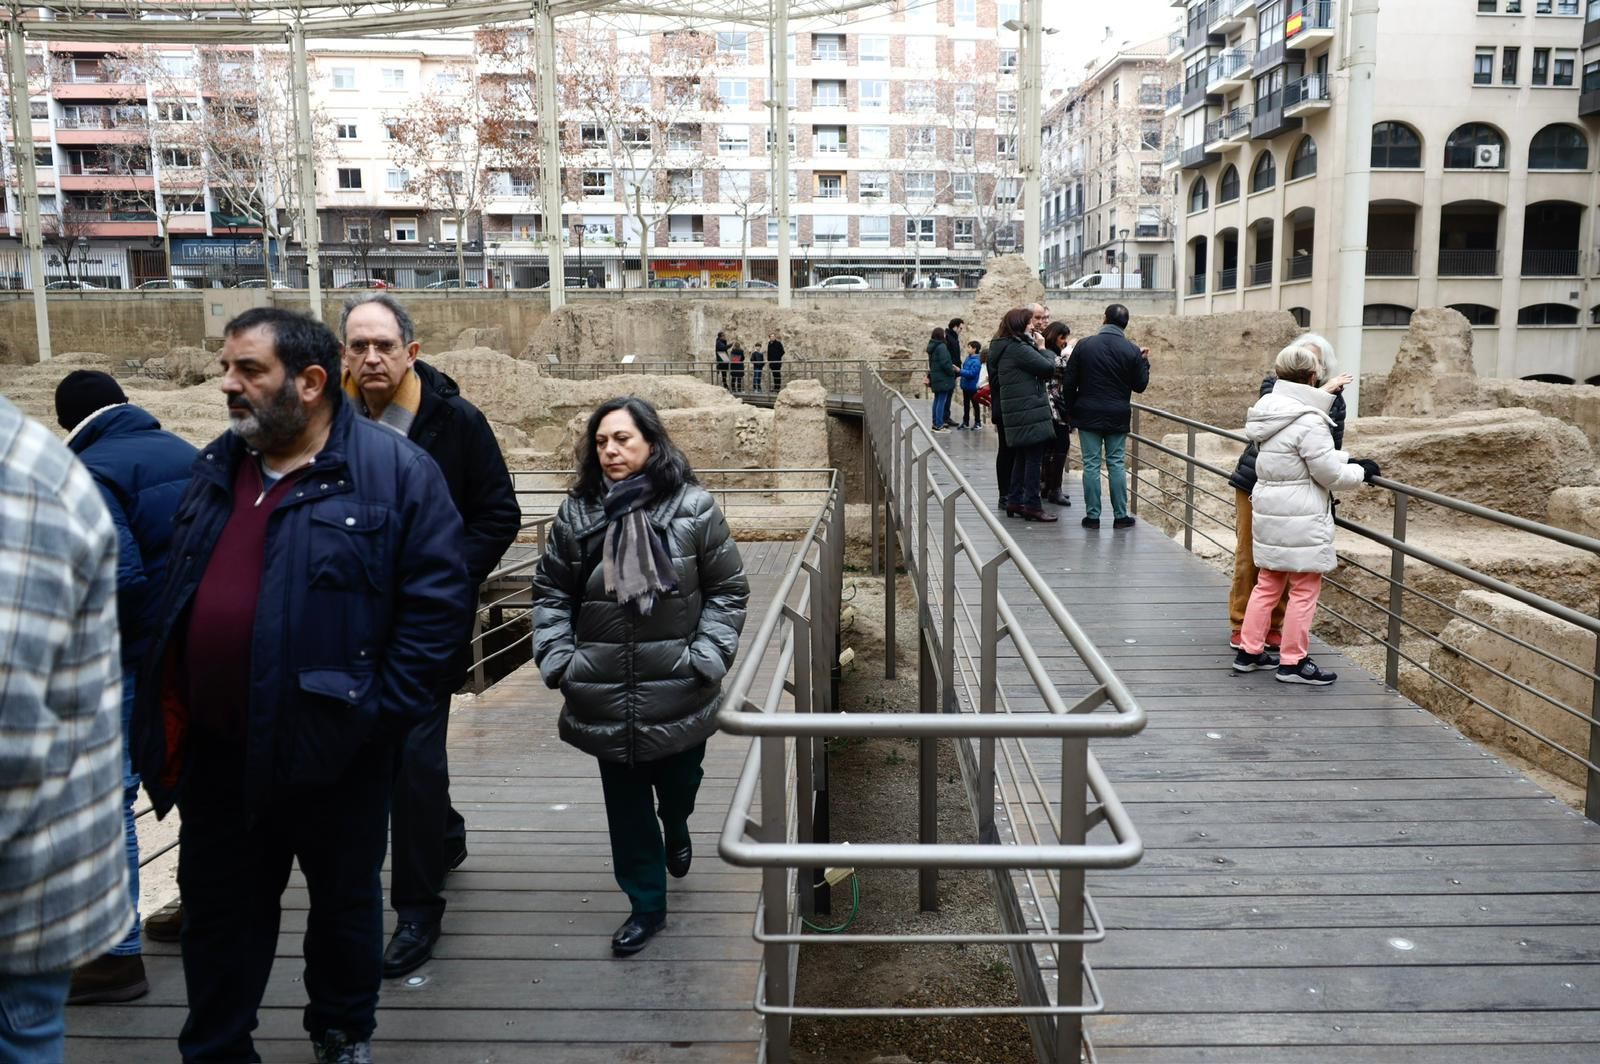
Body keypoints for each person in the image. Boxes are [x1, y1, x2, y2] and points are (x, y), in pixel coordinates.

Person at [132, 308, 472, 1063]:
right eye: (228, 367)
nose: (229, 385)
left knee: (344, 908)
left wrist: (375, 721)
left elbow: (437, 612)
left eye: (249, 370)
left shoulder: (396, 474)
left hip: (339, 753)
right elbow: (180, 585)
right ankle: (218, 1045)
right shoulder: (217, 465)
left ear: (312, 383)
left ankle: (342, 1030)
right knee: (220, 913)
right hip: (221, 755)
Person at [338, 293, 521, 979]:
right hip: (349, 624)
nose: (371, 358)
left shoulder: (454, 422)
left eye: (383, 345)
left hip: (426, 623)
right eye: (358, 346)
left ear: (410, 352)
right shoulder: (328, 421)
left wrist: (446, 576)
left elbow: (498, 512)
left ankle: (417, 909)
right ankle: (441, 830)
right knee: (375, 755)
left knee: (412, 758)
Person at [531, 397, 749, 957]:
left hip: (679, 685)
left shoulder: (693, 509)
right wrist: (559, 658)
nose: (611, 451)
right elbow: (551, 593)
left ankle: (677, 828)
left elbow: (728, 590)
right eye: (602, 441)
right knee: (627, 811)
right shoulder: (578, 514)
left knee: (679, 788)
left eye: (623, 439)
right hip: (602, 688)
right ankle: (645, 905)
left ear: (652, 443)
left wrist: (707, 655)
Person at [52, 371, 197, 1006]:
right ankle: (206, 903)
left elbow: (117, 578)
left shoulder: (83, 473)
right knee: (198, 774)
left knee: (108, 795)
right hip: (205, 650)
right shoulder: (187, 453)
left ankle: (114, 957)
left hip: (134, 657)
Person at [0, 394, 131, 1063]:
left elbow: (10, 734)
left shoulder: (19, 484)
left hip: (20, 886)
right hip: (53, 867)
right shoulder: (55, 467)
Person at [1233, 342, 1380, 686]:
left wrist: (1348, 459)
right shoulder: (1310, 420)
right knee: (1304, 587)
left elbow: (1293, 455)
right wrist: (1361, 471)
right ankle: (1293, 661)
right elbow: (1327, 473)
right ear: (1313, 376)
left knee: (1267, 582)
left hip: (1270, 508)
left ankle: (1249, 651)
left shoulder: (1268, 410)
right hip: (1300, 512)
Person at [1225, 333, 1352, 654]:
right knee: (1251, 557)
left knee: (1284, 562)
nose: (1307, 365)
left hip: (1296, 488)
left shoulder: (1332, 400)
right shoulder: (1276, 390)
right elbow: (1290, 411)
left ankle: (1269, 631)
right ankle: (1244, 628)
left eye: (1313, 360)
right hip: (1255, 481)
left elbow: (1329, 446)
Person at [1063, 303, 1150, 531]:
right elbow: (1140, 386)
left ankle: (1093, 517)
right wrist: (1144, 361)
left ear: (1104, 319)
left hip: (1088, 412)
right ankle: (1120, 515)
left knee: (1091, 464)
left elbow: (1069, 382)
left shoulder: (1085, 345)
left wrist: (1071, 410)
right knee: (1116, 463)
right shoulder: (1132, 350)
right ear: (1125, 324)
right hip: (1117, 415)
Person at [993, 307, 1058, 522]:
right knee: (1033, 459)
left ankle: (1014, 500)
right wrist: (1043, 347)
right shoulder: (1018, 348)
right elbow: (1048, 368)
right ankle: (1032, 505)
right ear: (1021, 325)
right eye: (1030, 322)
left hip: (1017, 411)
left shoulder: (1003, 346)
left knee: (1021, 456)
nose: (1034, 326)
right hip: (1028, 410)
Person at [1039, 323, 1074, 508]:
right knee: (1060, 446)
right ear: (1054, 336)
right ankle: (1054, 489)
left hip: (1053, 407)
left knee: (1053, 448)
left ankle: (1048, 486)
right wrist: (1070, 352)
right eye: (1062, 338)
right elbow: (1061, 367)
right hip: (1053, 407)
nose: (1064, 342)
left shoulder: (1048, 351)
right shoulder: (1048, 353)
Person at [927, 326, 957, 432]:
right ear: (941, 335)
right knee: (941, 401)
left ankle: (936, 424)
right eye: (944, 333)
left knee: (937, 400)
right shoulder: (941, 347)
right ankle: (939, 425)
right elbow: (946, 363)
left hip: (936, 378)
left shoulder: (933, 347)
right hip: (943, 378)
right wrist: (951, 372)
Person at [958, 341, 984, 430]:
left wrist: (960, 371)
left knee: (975, 404)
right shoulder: (968, 358)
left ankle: (978, 422)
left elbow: (972, 374)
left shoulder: (977, 361)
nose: (967, 349)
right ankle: (966, 422)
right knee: (966, 405)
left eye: (969, 347)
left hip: (972, 387)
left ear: (974, 349)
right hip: (966, 385)